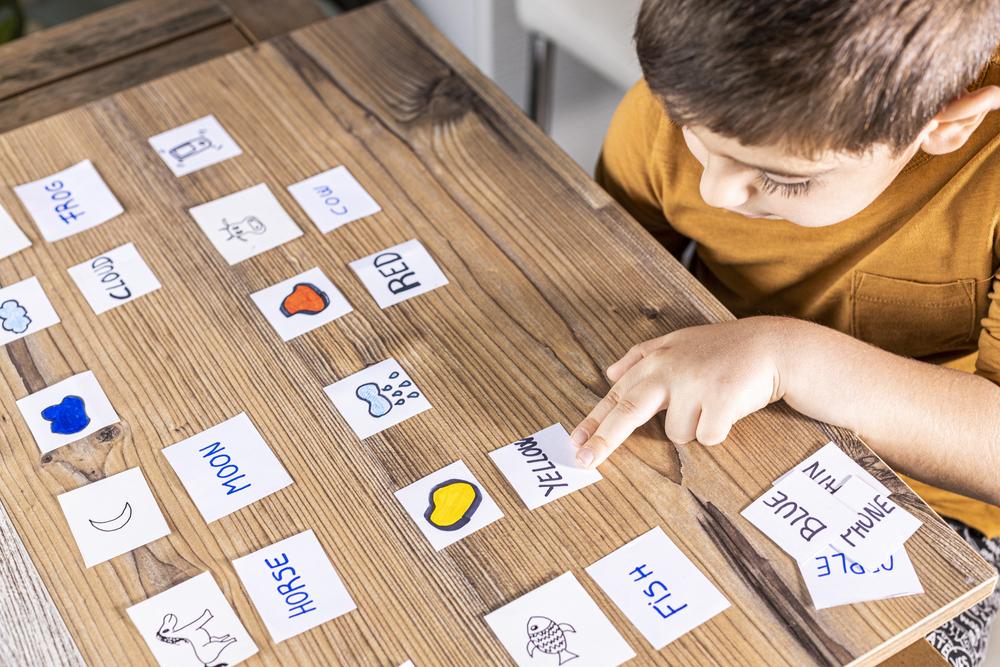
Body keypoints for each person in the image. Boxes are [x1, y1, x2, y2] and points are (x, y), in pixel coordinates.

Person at [571, 1, 1000, 663]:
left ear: (946, 127)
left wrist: (789, 355)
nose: (715, 191)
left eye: (782, 178)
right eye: (696, 139)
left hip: (931, 503)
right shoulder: (695, 99)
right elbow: (608, 276)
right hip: (707, 418)